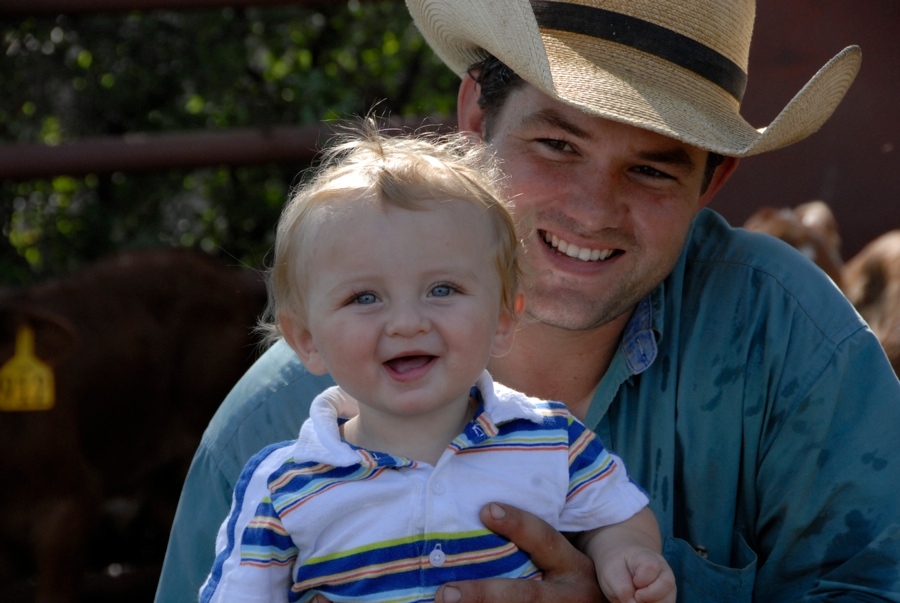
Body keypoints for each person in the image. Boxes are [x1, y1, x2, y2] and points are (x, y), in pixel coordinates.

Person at [157, 0, 900, 601]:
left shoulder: (793, 342)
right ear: (476, 117)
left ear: (713, 183)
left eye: (651, 170)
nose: (592, 209)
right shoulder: (274, 419)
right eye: (558, 145)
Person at [197, 126, 675, 603]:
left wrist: (627, 556)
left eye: (442, 290)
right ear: (306, 340)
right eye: (364, 297)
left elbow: (617, 511)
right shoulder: (284, 484)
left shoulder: (548, 438)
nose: (406, 323)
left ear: (505, 317)